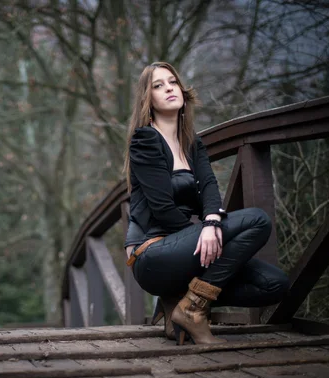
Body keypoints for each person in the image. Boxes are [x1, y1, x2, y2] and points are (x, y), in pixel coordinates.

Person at [123, 61, 290, 345]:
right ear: (147, 99)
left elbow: (210, 187)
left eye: (172, 82)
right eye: (158, 86)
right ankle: (191, 308)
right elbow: (162, 208)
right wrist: (204, 233)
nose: (169, 89)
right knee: (256, 220)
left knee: (275, 284)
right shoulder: (145, 141)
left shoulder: (192, 143)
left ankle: (187, 302)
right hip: (152, 253)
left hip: (186, 248)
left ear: (183, 90)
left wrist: (211, 222)